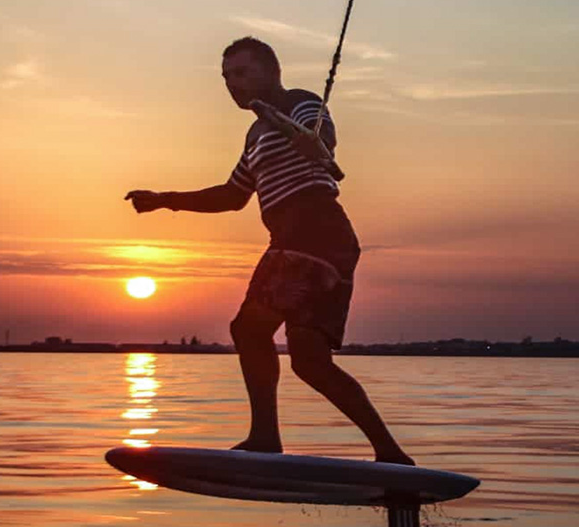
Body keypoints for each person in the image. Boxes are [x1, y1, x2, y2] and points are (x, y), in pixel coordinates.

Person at [125, 37, 413, 465]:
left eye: (242, 72)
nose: (232, 83)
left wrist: (316, 142)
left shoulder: (299, 102)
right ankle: (391, 455)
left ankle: (265, 438)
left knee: (249, 330)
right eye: (226, 77)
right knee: (310, 363)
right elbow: (232, 195)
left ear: (272, 71)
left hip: (312, 233)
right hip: (311, 242)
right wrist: (165, 199)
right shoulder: (255, 134)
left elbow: (321, 135)